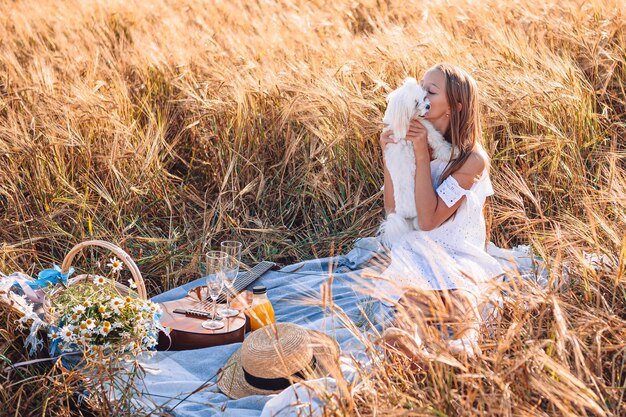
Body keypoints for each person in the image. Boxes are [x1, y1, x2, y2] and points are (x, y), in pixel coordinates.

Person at [376, 63, 506, 360]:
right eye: (421, 87)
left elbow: (429, 219)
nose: (420, 94)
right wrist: (390, 157)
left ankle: (462, 351)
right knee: (410, 313)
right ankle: (415, 356)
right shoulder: (412, 142)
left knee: (462, 304)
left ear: (455, 106)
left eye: (431, 91)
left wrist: (422, 152)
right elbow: (395, 210)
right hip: (419, 249)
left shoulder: (472, 160)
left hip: (459, 252)